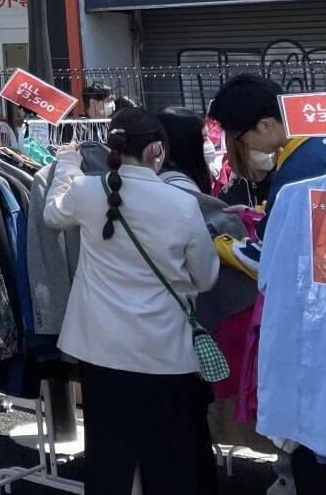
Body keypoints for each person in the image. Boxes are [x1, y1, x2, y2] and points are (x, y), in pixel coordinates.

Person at [42, 107, 219, 494]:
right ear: (157, 148)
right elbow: (206, 278)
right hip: (165, 349)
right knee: (168, 455)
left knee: (109, 452)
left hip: (100, 347)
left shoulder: (88, 190)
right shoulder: (182, 203)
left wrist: (68, 164)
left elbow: (53, 216)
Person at [208, 73, 326, 216]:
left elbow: (277, 233)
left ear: (265, 125)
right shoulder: (325, 139)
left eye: (241, 138)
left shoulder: (295, 173)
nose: (246, 145)